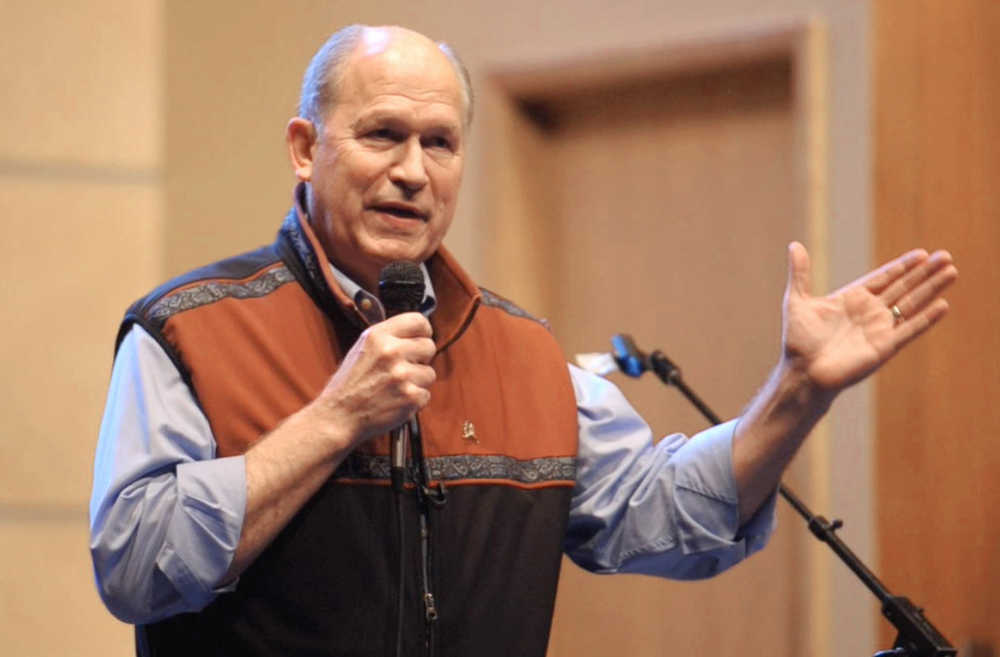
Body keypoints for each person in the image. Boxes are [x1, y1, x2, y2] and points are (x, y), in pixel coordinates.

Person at [89, 24, 958, 657]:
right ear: (306, 148)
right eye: (383, 134)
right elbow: (133, 565)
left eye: (441, 143)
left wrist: (798, 390)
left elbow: (669, 516)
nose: (412, 171)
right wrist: (334, 420)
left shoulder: (523, 354)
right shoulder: (190, 329)